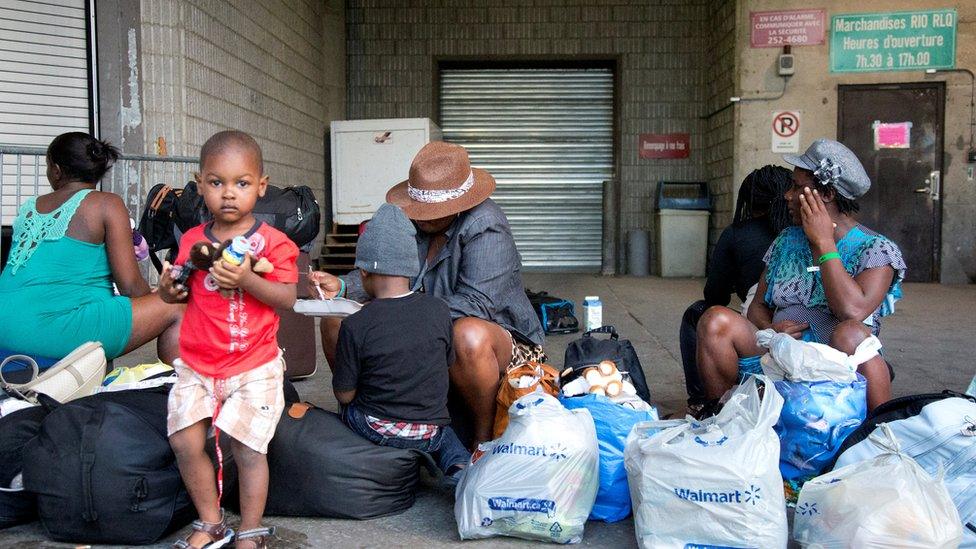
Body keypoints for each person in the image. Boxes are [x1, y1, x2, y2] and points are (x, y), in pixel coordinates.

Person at [310, 141, 544, 448]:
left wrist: (396, 316)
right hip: (424, 324)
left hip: (500, 340)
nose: (421, 217)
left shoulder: (486, 224)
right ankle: (364, 421)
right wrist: (341, 287)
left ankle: (481, 441)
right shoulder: (418, 221)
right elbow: (386, 269)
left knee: (467, 335)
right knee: (338, 319)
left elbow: (477, 305)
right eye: (419, 209)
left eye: (432, 211)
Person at [160, 130, 298, 549]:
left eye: (241, 183)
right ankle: (211, 520)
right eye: (216, 182)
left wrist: (247, 278)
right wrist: (168, 291)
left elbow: (287, 299)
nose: (228, 194)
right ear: (200, 184)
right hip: (198, 362)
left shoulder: (274, 244)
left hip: (253, 364)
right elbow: (177, 290)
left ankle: (251, 527)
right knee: (184, 439)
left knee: (247, 447)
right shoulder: (191, 241)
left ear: (261, 185)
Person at [696, 139, 906, 413]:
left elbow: (852, 310)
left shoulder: (876, 249)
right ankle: (722, 419)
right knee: (715, 320)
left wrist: (824, 243)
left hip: (834, 361)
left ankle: (878, 432)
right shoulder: (787, 240)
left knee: (851, 333)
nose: (787, 196)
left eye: (796, 187)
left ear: (827, 194)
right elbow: (758, 307)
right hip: (779, 353)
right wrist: (770, 329)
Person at [0, 132, 183, 363]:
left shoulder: (28, 207)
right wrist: (155, 301)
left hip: (4, 327)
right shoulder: (107, 203)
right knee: (177, 305)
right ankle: (180, 392)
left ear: (56, 170)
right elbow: (130, 287)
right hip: (52, 333)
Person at [333, 203, 470, 485]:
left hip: (378, 429)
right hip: (429, 432)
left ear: (363, 273)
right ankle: (458, 467)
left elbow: (345, 395)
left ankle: (373, 460)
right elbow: (445, 365)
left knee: (346, 410)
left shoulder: (355, 324)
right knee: (445, 433)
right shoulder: (439, 310)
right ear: (412, 269)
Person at [679, 165, 792, 412]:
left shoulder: (738, 234)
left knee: (699, 314)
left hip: (773, 335)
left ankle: (702, 401)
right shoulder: (798, 234)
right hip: (788, 331)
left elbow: (715, 295)